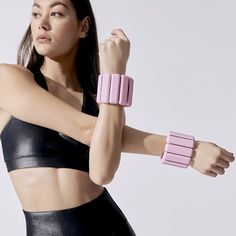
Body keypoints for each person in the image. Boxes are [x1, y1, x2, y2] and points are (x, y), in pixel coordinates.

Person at [0, 0, 234, 235]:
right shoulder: (8, 79)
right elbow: (88, 131)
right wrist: (189, 150)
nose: (42, 24)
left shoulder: (102, 104)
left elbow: (102, 172)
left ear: (83, 27)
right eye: (36, 13)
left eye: (57, 13)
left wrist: (114, 75)